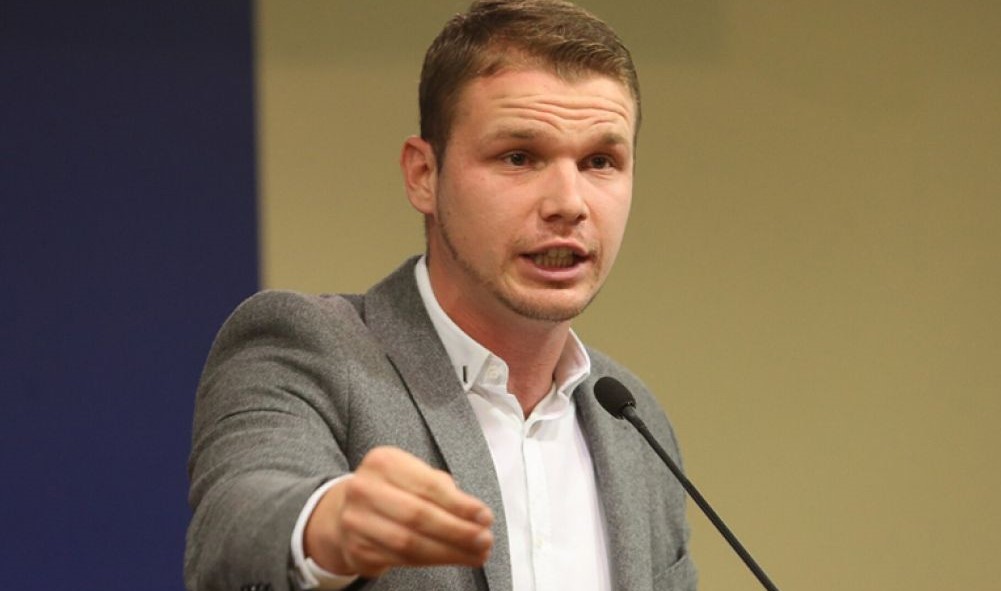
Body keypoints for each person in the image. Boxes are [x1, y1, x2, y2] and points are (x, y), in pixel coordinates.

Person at [185, 1, 696, 590]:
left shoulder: (634, 422)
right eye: (519, 157)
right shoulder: (307, 349)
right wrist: (325, 524)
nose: (569, 203)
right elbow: (236, 522)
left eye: (600, 161)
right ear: (424, 175)